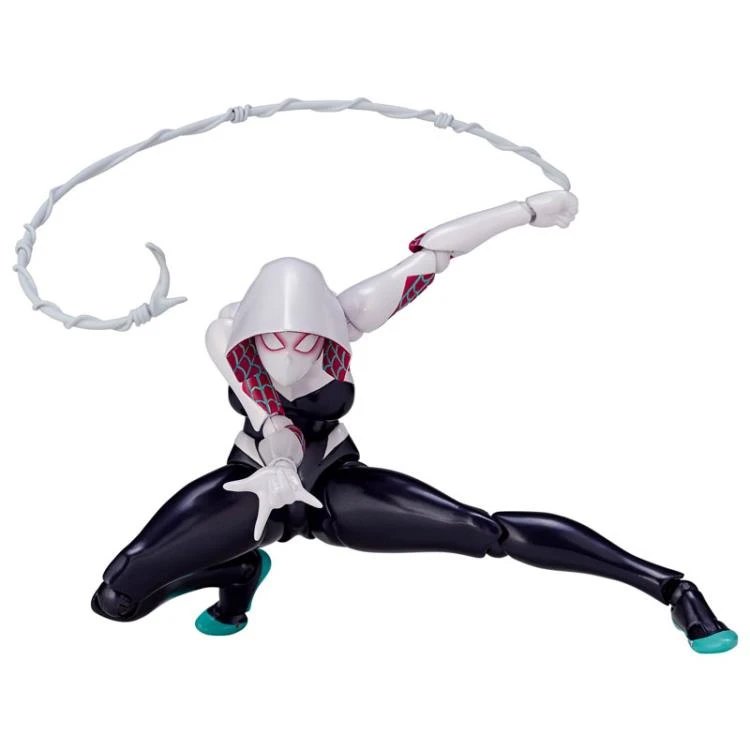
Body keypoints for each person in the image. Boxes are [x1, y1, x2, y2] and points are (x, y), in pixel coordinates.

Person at [91, 190, 737, 653]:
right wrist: (278, 471)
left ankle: (670, 589)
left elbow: (433, 254)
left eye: (305, 341)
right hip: (254, 483)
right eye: (275, 341)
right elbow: (271, 420)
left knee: (484, 531)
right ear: (252, 332)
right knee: (117, 597)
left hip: (335, 488)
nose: (289, 355)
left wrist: (525, 211)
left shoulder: (349, 316)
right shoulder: (226, 339)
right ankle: (235, 573)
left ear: (327, 329)